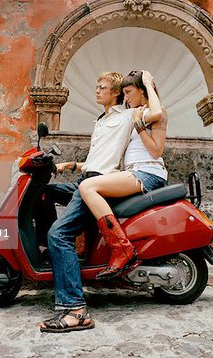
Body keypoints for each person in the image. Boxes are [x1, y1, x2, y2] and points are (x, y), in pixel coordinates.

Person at [38, 71, 162, 333]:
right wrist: (71, 164)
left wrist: (148, 84)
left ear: (116, 93)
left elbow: (155, 114)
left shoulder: (129, 115)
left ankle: (76, 310)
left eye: (102, 87)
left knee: (59, 234)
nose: (96, 90)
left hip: (97, 182)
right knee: (43, 194)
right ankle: (56, 256)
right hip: (86, 177)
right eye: (96, 85)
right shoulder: (101, 120)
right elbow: (99, 157)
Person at [78, 70, 167, 280]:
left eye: (128, 92)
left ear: (142, 91)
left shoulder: (151, 113)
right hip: (133, 172)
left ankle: (122, 249)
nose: (125, 98)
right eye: (124, 93)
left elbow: (156, 151)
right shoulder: (133, 114)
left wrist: (148, 83)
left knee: (87, 187)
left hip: (148, 173)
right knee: (89, 188)